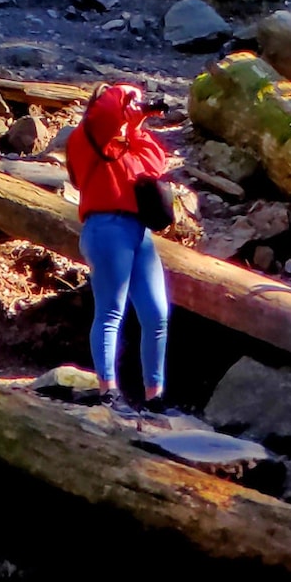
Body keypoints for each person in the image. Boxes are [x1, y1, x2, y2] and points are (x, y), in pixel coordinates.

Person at [65, 82, 173, 416]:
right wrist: (123, 92)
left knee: (157, 314)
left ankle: (155, 396)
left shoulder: (127, 146)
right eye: (129, 102)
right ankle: (107, 391)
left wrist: (137, 125)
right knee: (111, 311)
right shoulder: (87, 139)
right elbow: (106, 114)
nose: (133, 105)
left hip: (138, 233)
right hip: (106, 227)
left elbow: (156, 162)